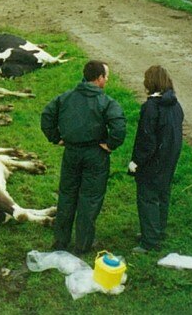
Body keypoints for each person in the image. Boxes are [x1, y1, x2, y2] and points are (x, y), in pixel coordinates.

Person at [41, 60, 126, 254]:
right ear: (99, 78)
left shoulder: (66, 98)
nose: (107, 80)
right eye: (107, 77)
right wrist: (111, 144)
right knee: (90, 198)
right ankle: (83, 244)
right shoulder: (107, 102)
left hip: (71, 153)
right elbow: (119, 126)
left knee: (67, 196)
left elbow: (47, 115)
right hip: (96, 154)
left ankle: (61, 241)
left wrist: (56, 137)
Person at [129, 65, 184, 253]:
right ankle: (157, 230)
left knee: (147, 198)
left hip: (153, 162)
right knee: (163, 194)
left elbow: (146, 140)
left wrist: (135, 162)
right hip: (169, 159)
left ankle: (149, 242)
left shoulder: (151, 108)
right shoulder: (175, 105)